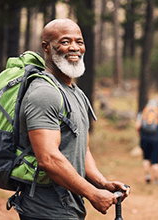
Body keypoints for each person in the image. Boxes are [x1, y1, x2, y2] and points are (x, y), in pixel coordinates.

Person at [17, 18, 130, 220]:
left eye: (79, 41)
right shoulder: (43, 93)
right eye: (65, 41)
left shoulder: (75, 93)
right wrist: (92, 193)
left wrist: (102, 183)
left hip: (68, 207)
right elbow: (48, 158)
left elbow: (81, 149)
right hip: (45, 210)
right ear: (47, 47)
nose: (75, 48)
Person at [136, 99, 158, 185]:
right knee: (155, 161)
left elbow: (137, 126)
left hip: (144, 140)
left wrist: (140, 134)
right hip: (156, 140)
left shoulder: (142, 114)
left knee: (146, 159)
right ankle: (156, 180)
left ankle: (147, 176)